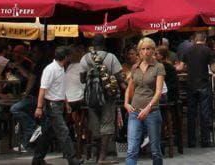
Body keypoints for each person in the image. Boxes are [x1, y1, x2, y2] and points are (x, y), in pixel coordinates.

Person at [31, 45, 81, 165]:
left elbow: (60, 88)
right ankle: (72, 159)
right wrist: (39, 107)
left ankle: (37, 159)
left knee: (48, 133)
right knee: (63, 131)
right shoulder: (51, 69)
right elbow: (42, 89)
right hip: (52, 105)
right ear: (65, 57)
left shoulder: (60, 68)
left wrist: (66, 102)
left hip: (58, 104)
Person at [82, 35, 123, 164]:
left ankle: (95, 156)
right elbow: (119, 77)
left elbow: (82, 79)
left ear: (93, 45)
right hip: (108, 95)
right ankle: (102, 157)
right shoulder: (111, 57)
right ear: (104, 44)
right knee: (107, 122)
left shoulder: (85, 58)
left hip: (91, 97)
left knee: (95, 124)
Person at [123, 39, 163, 165]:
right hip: (134, 111)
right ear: (139, 51)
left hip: (151, 112)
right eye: (143, 49)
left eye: (148, 48)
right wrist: (126, 103)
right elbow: (130, 88)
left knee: (155, 150)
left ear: (153, 50)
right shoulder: (135, 67)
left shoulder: (158, 67)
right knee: (132, 149)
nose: (146, 52)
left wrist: (148, 107)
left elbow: (158, 91)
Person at [181, 32, 214, 149]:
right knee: (204, 113)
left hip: (191, 84)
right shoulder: (208, 50)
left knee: (191, 113)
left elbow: (181, 67)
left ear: (195, 40)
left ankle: (191, 141)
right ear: (204, 39)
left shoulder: (188, 51)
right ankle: (205, 141)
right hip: (204, 84)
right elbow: (214, 67)